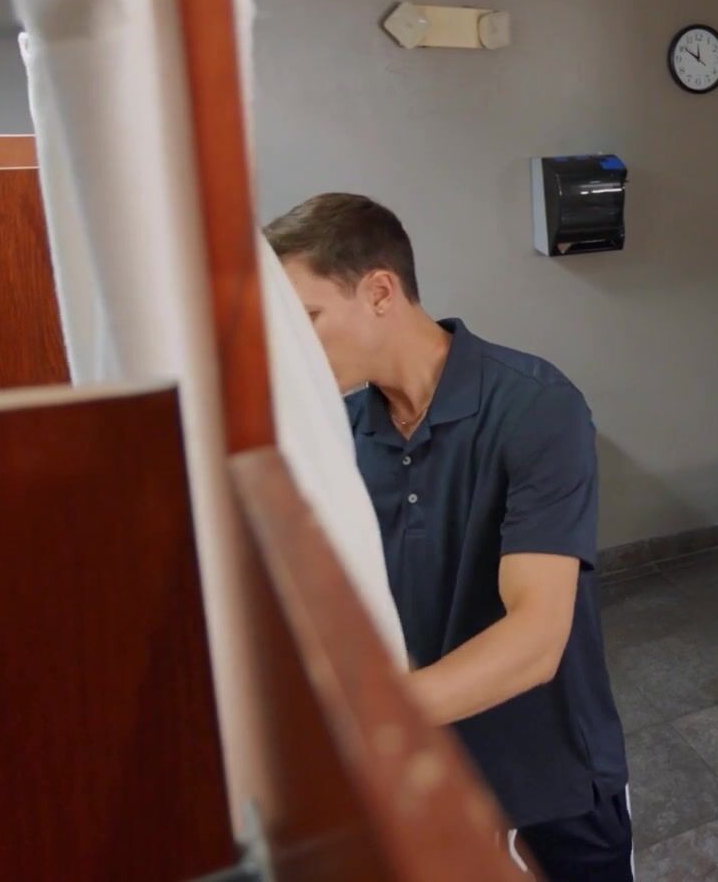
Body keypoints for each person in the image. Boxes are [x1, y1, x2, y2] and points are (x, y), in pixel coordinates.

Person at [265, 193, 631, 879]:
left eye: (305, 319)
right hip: (429, 773)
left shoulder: (536, 406)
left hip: (549, 772)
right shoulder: (341, 433)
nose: (290, 351)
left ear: (380, 292)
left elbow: (537, 638)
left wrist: (363, 721)